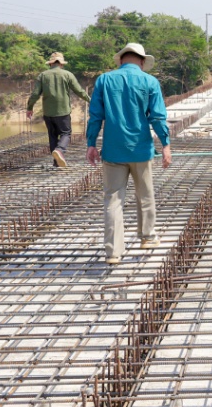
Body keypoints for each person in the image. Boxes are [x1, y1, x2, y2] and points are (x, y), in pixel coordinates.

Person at [85, 42, 172, 264]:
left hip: (113, 151)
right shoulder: (150, 81)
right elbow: (157, 117)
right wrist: (166, 144)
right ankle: (147, 237)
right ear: (142, 61)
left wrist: (91, 143)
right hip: (141, 150)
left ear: (121, 60)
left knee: (113, 201)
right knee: (145, 194)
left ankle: (113, 252)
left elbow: (95, 116)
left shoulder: (104, 80)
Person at [26, 52, 90, 168]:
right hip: (63, 112)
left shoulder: (43, 75)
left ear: (50, 64)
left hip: (48, 113)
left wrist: (29, 108)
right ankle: (60, 150)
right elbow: (79, 91)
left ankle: (56, 163)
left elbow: (35, 94)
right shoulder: (67, 74)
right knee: (66, 133)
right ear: (61, 64)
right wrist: (90, 100)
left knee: (52, 136)